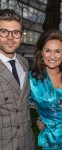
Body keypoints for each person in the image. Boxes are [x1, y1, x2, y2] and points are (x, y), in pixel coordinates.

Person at [29, 29, 62, 149]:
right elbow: (19, 109)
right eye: (47, 51)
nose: (52, 56)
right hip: (51, 142)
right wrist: (39, 120)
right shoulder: (31, 79)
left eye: (57, 51)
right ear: (41, 52)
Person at [0, 9, 35, 150]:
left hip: (27, 143)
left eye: (15, 33)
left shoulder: (24, 63)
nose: (10, 37)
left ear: (21, 37)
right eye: (3, 31)